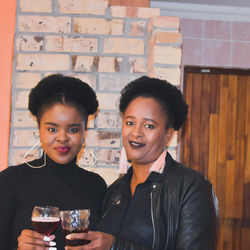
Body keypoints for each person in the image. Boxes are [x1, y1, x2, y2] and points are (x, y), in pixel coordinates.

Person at [66, 76, 219, 250]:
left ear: (168, 135)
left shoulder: (191, 187)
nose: (136, 133)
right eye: (130, 123)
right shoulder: (114, 192)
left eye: (149, 126)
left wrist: (116, 245)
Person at [0, 74, 107, 249]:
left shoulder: (96, 186)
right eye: (52, 129)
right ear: (39, 128)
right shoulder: (9, 181)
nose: (62, 138)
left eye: (73, 129)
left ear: (84, 132)